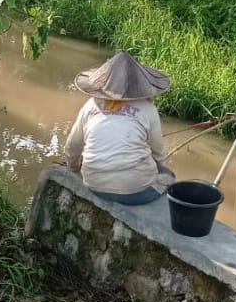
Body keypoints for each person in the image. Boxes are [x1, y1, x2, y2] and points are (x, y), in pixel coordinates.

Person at [64, 50, 175, 205]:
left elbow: (72, 146)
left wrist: (73, 167)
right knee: (168, 175)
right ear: (140, 86)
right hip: (136, 192)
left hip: (94, 185)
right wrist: (160, 169)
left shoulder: (90, 106)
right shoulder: (148, 109)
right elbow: (158, 152)